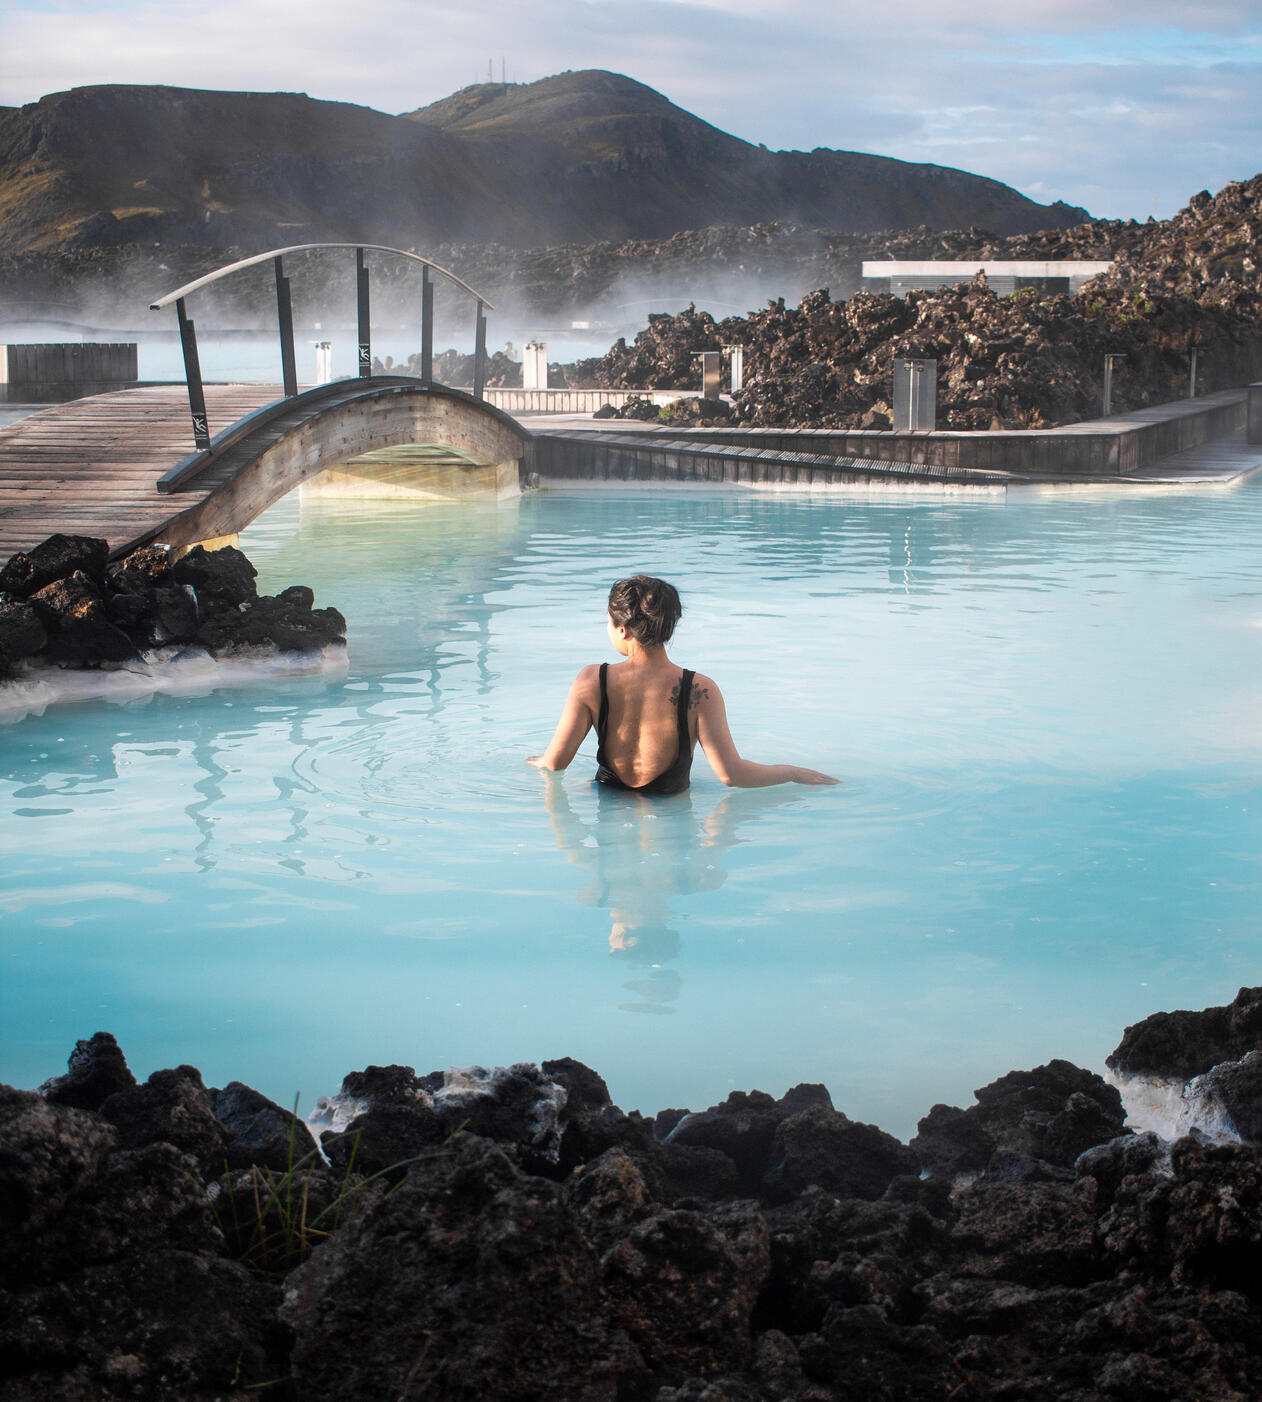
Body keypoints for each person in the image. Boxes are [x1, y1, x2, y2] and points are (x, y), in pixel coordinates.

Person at [526, 575, 838, 791]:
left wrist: (538, 760)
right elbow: (731, 775)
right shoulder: (700, 690)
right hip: (667, 816)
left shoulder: (592, 680)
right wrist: (794, 773)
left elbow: (555, 763)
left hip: (608, 803)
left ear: (622, 629)